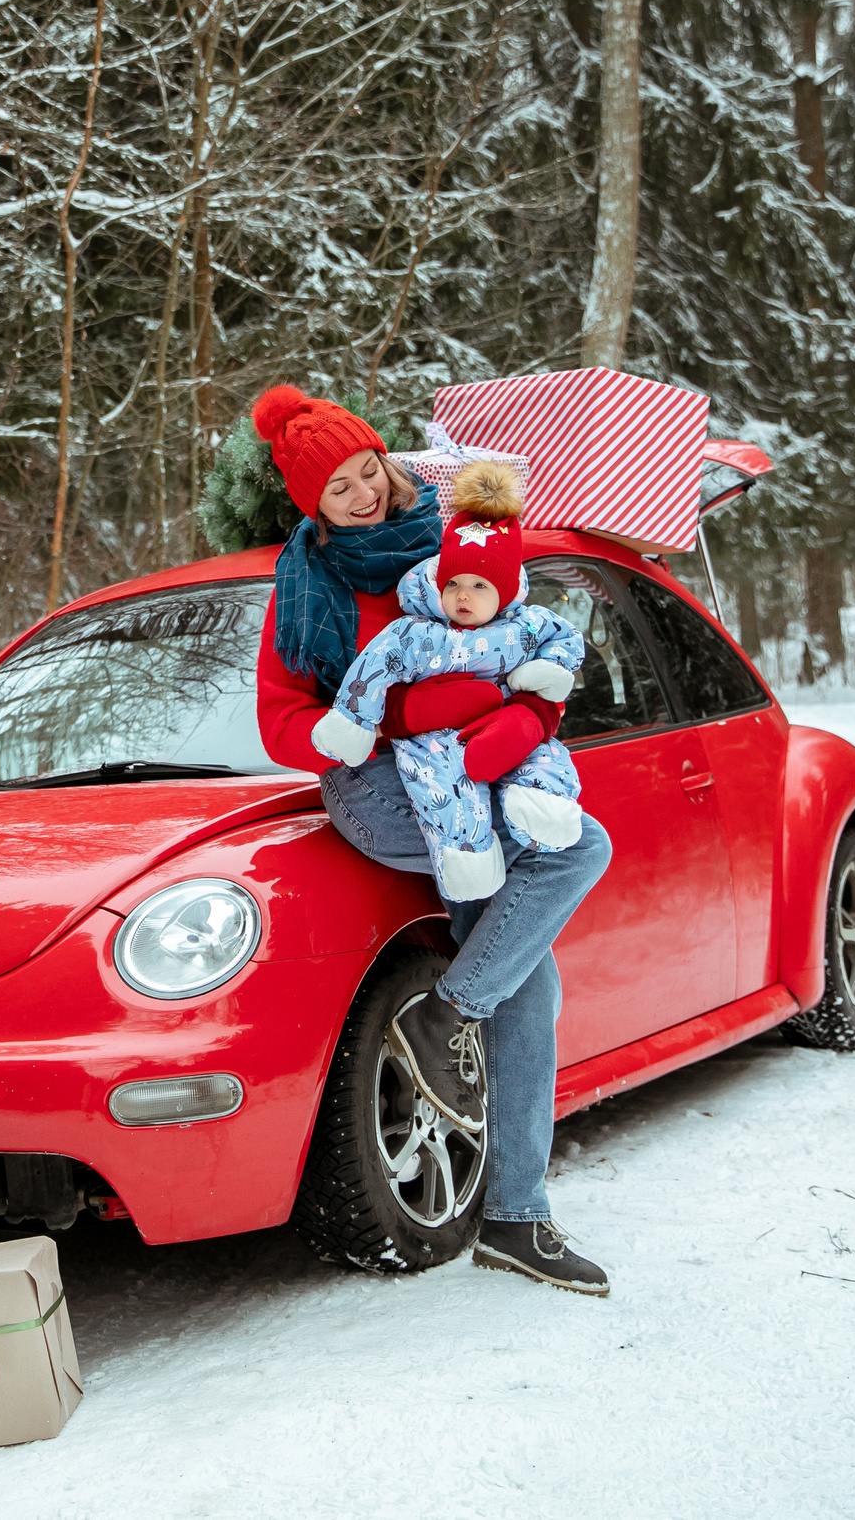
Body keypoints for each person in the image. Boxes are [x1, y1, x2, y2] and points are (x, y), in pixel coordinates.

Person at [249, 384, 617, 1296]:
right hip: (382, 788)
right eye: (337, 489)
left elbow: (529, 640)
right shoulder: (308, 586)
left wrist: (519, 713)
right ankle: (466, 1030)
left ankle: (514, 1213)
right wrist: (396, 718)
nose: (364, 494)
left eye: (367, 468)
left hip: (485, 774)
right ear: (312, 506)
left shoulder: (452, 540)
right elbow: (282, 723)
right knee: (578, 851)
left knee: (530, 975)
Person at [306, 458, 588, 902]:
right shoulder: (419, 630)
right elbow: (377, 664)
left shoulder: (526, 626)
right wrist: (361, 720)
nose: (462, 595)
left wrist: (542, 692)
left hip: (506, 725)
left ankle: (541, 805)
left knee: (545, 759)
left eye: (480, 586)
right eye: (453, 582)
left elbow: (566, 641)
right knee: (441, 784)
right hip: (435, 738)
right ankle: (467, 856)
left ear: (505, 591)